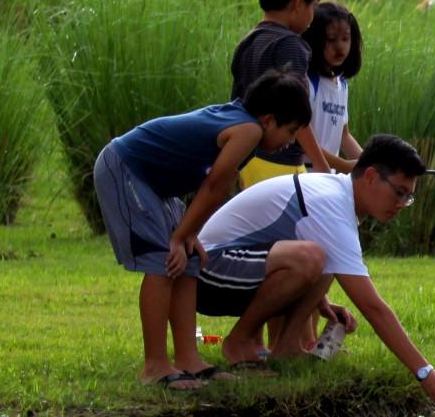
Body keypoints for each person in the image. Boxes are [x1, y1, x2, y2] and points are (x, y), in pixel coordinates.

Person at [196, 134, 435, 405]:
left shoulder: (337, 195)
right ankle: (239, 342)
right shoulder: (332, 204)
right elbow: (372, 307)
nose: (402, 204)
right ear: (370, 176)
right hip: (207, 273)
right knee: (311, 257)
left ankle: (287, 348)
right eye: (399, 192)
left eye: (409, 197)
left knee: (324, 257)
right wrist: (425, 372)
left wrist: (323, 303)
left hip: (235, 267)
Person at [93, 73, 312, 391]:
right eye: (290, 132)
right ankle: (154, 366)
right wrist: (180, 236)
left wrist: (188, 234)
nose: (291, 142)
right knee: (163, 261)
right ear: (268, 120)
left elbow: (212, 185)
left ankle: (188, 360)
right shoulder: (248, 130)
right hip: (126, 167)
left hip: (156, 185)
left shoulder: (245, 124)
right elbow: (214, 185)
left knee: (190, 259)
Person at [231, 0, 332, 187]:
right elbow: (296, 110)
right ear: (298, 3)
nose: (312, 15)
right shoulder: (290, 45)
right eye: (312, 6)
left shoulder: (247, 43)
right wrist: (322, 166)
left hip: (245, 156)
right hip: (279, 161)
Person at [300, 1, 363, 172]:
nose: (339, 46)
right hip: (303, 174)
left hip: (327, 176)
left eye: (345, 38)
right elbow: (300, 137)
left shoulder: (342, 85)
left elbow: (344, 136)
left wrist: (367, 163)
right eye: (331, 39)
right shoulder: (306, 82)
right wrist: (342, 165)